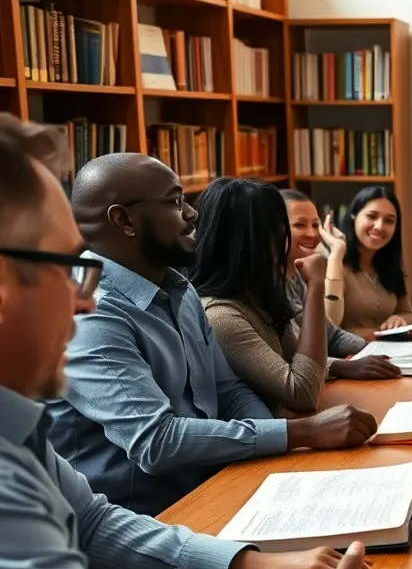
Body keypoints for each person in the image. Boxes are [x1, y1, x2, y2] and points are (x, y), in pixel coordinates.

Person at [0, 114, 412, 569]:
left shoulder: (18, 425)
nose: (84, 298)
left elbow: (96, 525)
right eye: (68, 266)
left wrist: (240, 564)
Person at [46, 153, 379, 516]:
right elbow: (157, 443)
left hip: (212, 486)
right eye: (176, 202)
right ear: (124, 220)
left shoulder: (180, 289)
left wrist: (283, 459)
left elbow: (227, 390)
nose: (192, 214)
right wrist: (301, 434)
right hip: (148, 517)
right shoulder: (91, 315)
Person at [190, 180, 398, 417]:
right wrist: (316, 285)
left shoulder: (262, 295)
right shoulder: (221, 316)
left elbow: (294, 358)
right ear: (248, 241)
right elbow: (303, 393)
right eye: (280, 228)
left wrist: (343, 365)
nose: (287, 238)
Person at [281, 190, 400, 379]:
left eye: (315, 225)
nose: (312, 233)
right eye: (299, 225)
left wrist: (372, 349)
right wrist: (345, 366)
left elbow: (332, 333)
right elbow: (292, 356)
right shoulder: (281, 281)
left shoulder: (296, 274)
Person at [302, 184, 412, 333]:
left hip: (385, 351)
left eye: (389, 221)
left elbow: (407, 312)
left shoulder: (390, 264)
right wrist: (337, 253)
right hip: (347, 353)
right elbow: (329, 325)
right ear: (354, 216)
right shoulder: (331, 261)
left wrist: (400, 319)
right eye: (371, 216)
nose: (379, 226)